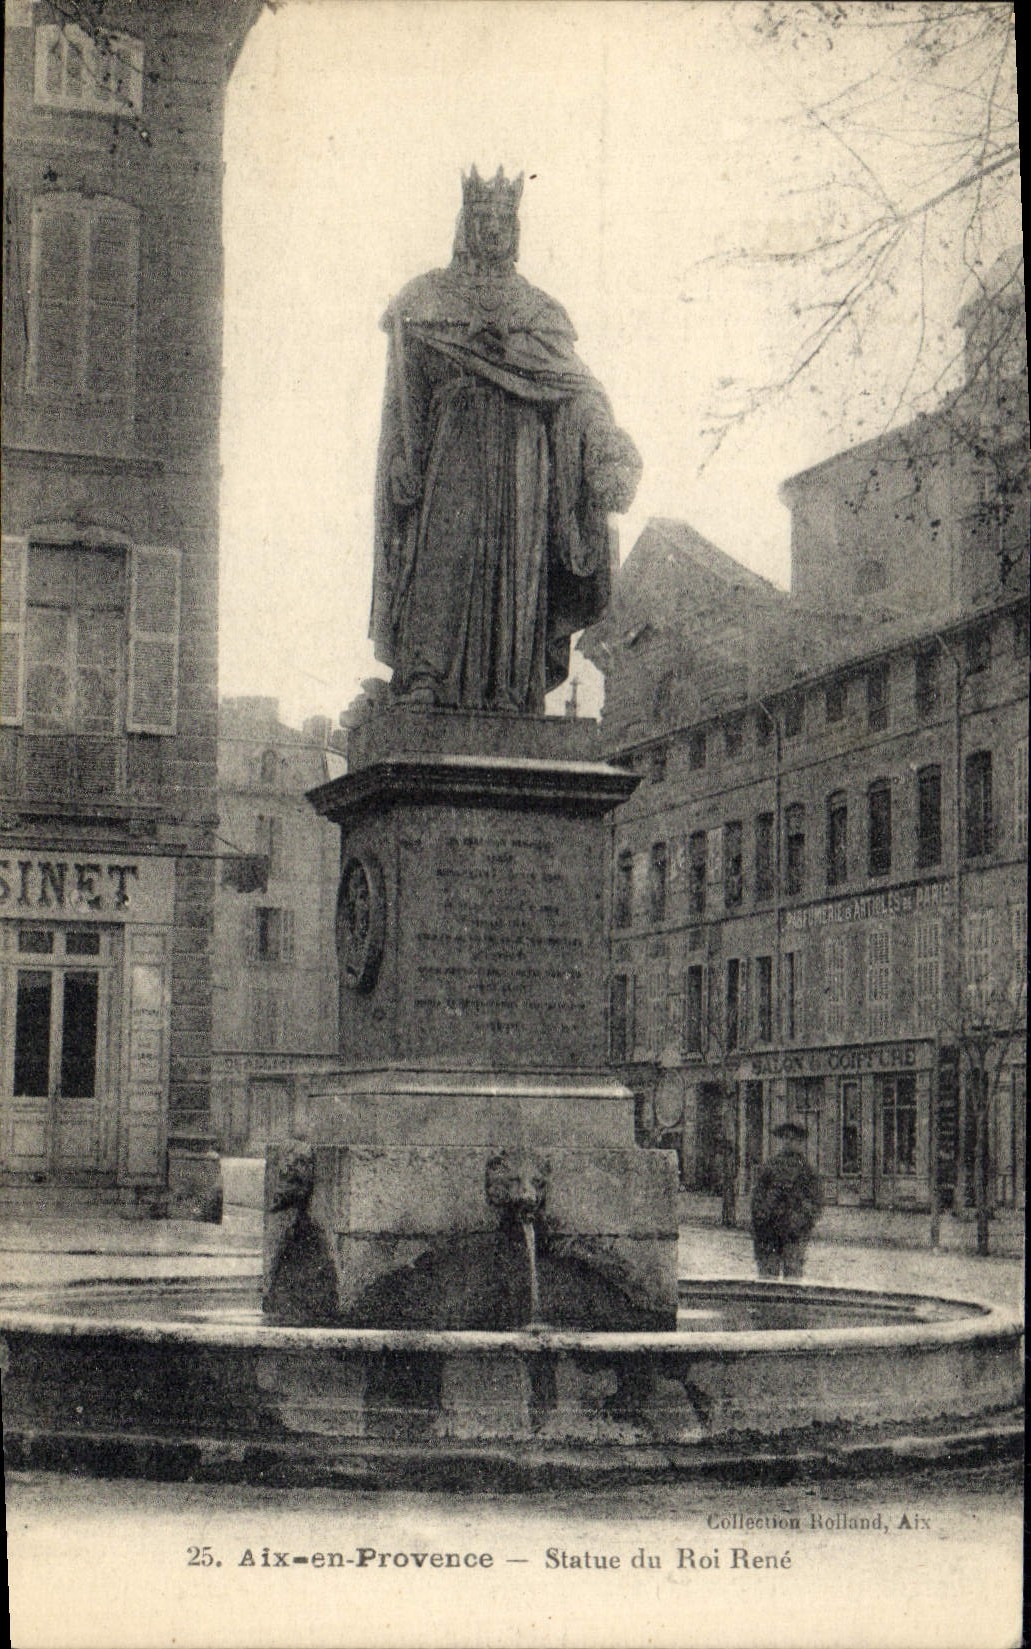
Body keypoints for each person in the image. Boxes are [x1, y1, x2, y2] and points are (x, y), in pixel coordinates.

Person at [371, 166, 641, 714]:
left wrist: (603, 441)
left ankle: (510, 689)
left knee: (518, 573)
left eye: (503, 219)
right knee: (442, 557)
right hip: (455, 449)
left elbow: (575, 390)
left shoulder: (540, 313)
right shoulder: (426, 298)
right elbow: (405, 400)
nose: (493, 228)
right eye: (483, 218)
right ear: (466, 224)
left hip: (524, 457)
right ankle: (425, 673)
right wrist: (403, 456)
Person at [750, 1122, 823, 1279]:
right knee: (767, 1279)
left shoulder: (806, 1171)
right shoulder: (770, 1167)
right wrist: (762, 1217)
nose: (788, 1142)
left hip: (793, 1234)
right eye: (785, 1138)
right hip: (769, 1233)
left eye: (793, 1139)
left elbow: (815, 1202)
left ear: (801, 1143)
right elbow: (757, 1198)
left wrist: (800, 1220)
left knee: (793, 1278)